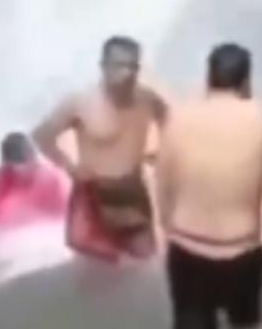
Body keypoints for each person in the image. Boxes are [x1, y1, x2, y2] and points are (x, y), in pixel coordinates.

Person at [155, 42, 262, 329]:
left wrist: (166, 229)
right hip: (242, 254)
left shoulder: (178, 117)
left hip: (187, 250)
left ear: (208, 79)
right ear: (246, 81)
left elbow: (163, 182)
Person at [31, 35, 168, 263]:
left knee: (143, 266)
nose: (127, 73)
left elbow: (172, 125)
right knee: (94, 271)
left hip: (133, 193)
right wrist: (71, 168)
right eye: (119, 65)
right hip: (94, 196)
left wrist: (162, 154)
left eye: (133, 66)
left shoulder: (147, 99)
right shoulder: (81, 102)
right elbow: (42, 136)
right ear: (103, 66)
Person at [0, 133, 69, 228]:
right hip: (7, 232)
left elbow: (64, 222)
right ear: (4, 164)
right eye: (12, 167)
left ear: (33, 158)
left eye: (24, 165)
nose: (20, 172)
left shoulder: (53, 181)